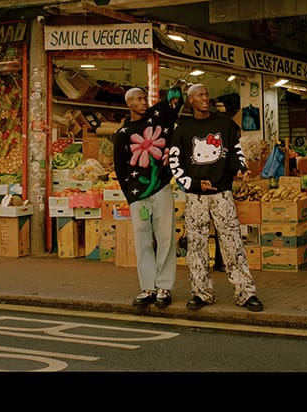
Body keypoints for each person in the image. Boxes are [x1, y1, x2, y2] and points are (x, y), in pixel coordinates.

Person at [167, 83, 262, 312]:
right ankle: (201, 292)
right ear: (190, 100)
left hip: (222, 193)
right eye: (199, 95)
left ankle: (245, 292)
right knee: (196, 245)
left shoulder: (224, 124)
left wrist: (241, 169)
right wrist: (194, 183)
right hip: (195, 196)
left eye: (206, 94)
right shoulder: (182, 129)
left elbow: (235, 152)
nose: (204, 98)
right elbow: (175, 163)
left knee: (232, 242)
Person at [112, 86, 180, 308]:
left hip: (160, 187)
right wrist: (130, 196)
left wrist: (176, 89)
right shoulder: (122, 135)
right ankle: (148, 286)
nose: (143, 102)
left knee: (165, 238)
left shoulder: (157, 120)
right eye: (138, 99)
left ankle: (164, 286)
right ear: (129, 104)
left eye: (144, 98)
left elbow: (175, 100)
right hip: (137, 195)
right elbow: (121, 169)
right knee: (142, 240)